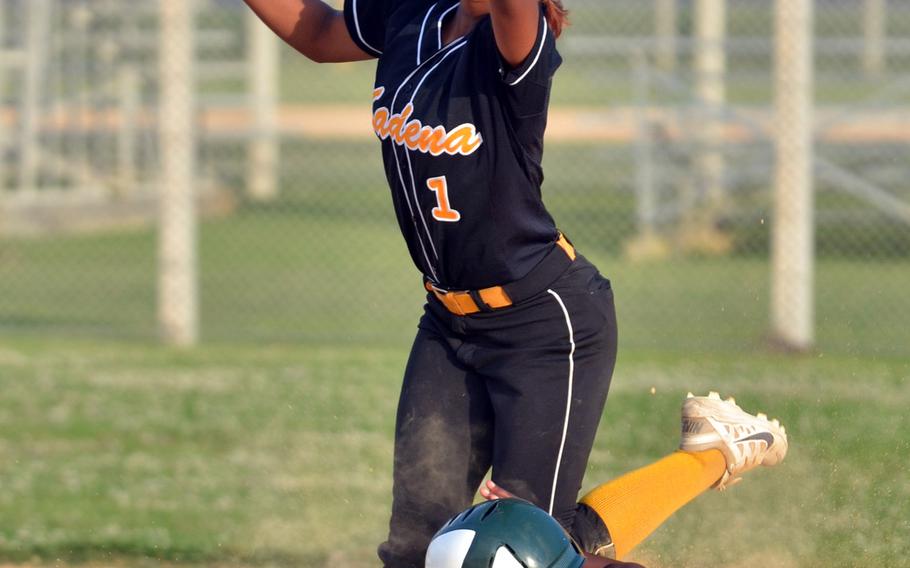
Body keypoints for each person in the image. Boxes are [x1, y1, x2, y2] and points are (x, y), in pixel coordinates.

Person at [243, 0, 614, 565]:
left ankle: (705, 461)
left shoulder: (512, 37)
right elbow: (317, 33)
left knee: (522, 551)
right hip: (448, 325)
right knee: (417, 549)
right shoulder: (408, 12)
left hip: (543, 328)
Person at [427, 393, 790, 567]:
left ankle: (713, 452)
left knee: (559, 542)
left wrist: (535, 532)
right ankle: (714, 450)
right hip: (450, 309)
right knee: (560, 542)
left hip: (545, 321)